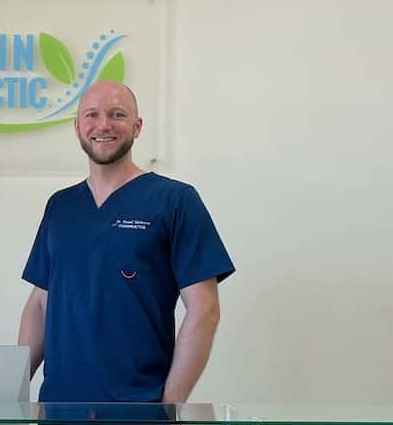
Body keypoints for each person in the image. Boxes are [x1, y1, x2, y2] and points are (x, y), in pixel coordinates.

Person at [18, 81, 233, 407]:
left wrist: (169, 407)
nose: (103, 125)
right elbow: (39, 303)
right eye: (92, 115)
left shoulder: (175, 201)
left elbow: (205, 310)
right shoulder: (61, 207)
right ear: (77, 127)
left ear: (137, 126)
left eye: (117, 114)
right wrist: (10, 391)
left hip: (139, 413)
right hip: (60, 413)